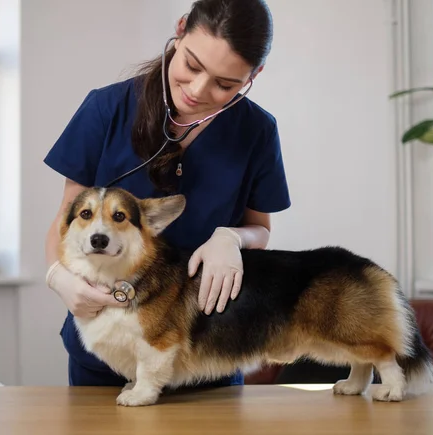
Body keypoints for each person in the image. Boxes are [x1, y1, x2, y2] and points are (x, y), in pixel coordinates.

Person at [43, 0, 291, 387]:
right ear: (179, 29)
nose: (198, 90)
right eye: (192, 65)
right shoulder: (106, 108)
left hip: (209, 351)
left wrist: (232, 237)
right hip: (107, 350)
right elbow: (67, 217)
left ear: (254, 74)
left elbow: (259, 229)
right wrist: (58, 277)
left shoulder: (256, 132)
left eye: (225, 84)